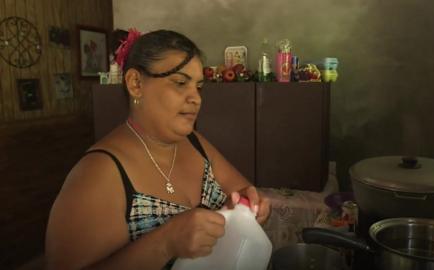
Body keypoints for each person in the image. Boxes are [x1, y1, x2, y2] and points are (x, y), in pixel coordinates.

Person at [46, 29, 271, 270]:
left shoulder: (195, 143)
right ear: (135, 84)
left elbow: (239, 192)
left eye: (198, 86)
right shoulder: (98, 173)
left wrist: (250, 207)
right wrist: (165, 243)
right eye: (180, 83)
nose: (196, 98)